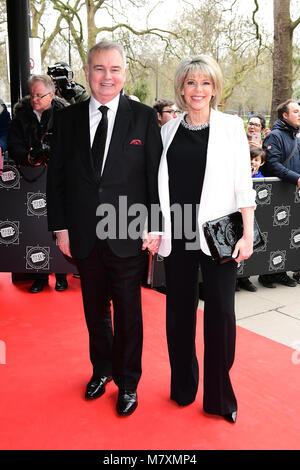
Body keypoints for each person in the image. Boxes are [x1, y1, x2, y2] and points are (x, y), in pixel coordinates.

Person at [46, 40, 162, 416]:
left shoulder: (144, 117)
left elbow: (154, 178)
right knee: (95, 311)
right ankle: (102, 369)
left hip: (128, 233)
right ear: (88, 73)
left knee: (129, 314)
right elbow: (57, 178)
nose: (107, 77)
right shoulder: (66, 119)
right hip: (83, 234)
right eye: (99, 69)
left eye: (114, 69)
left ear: (124, 73)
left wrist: (155, 224)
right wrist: (60, 226)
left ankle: (129, 382)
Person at [158, 55, 256, 423]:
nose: (197, 90)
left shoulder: (231, 126)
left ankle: (219, 398)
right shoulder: (167, 130)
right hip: (178, 232)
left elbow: (242, 184)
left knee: (221, 316)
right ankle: (183, 388)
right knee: (178, 315)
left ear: (214, 88)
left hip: (221, 235)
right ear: (181, 89)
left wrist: (247, 233)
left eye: (205, 83)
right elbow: (158, 187)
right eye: (190, 83)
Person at [7, 75, 69, 293]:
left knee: (59, 225)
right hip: (30, 180)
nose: (34, 99)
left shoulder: (65, 116)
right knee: (34, 228)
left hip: (59, 178)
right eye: (32, 94)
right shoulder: (20, 117)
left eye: (39, 95)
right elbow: (14, 146)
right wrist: (30, 158)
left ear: (51, 95)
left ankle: (62, 275)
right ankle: (39, 276)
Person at [260, 99, 300, 286]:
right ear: (285, 115)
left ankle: (282, 272)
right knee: (274, 235)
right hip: (276, 193)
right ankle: (267, 274)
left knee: (288, 234)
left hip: (292, 192)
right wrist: (296, 178)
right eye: (296, 111)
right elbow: (272, 165)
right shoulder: (274, 136)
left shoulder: (295, 136)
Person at [237, 147, 266, 292]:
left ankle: (245, 278)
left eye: (256, 160)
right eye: (251, 158)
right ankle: (236, 278)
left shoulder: (261, 177)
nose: (252, 162)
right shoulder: (240, 174)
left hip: (254, 217)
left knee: (251, 247)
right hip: (239, 215)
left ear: (262, 163)